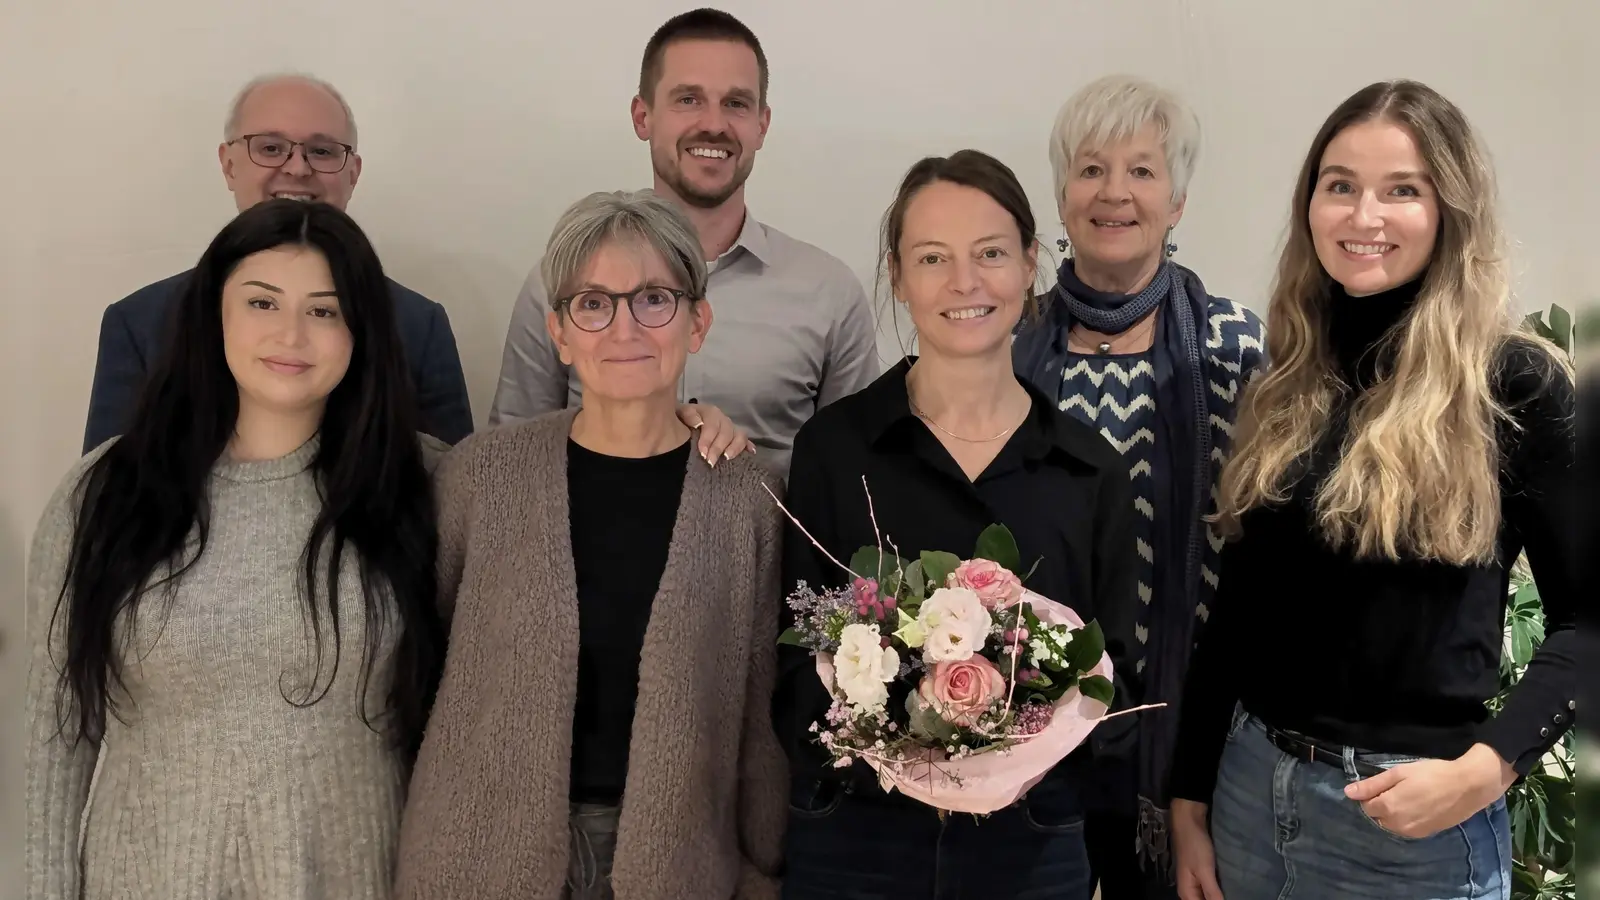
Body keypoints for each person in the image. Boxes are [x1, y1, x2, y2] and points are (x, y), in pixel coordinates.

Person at [1169, 80, 1577, 900]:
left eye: (1402, 190)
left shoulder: (1514, 383)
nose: (1364, 216)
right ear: (1310, 204)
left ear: (1450, 210)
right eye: (1340, 185)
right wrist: (1190, 797)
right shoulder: (1289, 376)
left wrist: (1487, 770)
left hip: (1410, 834)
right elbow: (1239, 612)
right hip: (1251, 797)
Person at [26, 199, 447, 899]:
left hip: (354, 877)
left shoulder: (426, 485)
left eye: (324, 310)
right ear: (213, 313)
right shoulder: (103, 491)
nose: (291, 334)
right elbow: (55, 736)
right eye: (261, 302)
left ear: (361, 332)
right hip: (147, 877)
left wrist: (679, 422)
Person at [391, 190, 787, 900]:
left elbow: (759, 714)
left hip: (677, 862)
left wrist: (762, 870)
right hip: (476, 856)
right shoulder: (481, 476)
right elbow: (413, 673)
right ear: (559, 332)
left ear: (698, 321)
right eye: (593, 303)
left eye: (655, 298)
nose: (624, 327)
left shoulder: (744, 495)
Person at [776, 149, 1140, 900]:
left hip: (1033, 844)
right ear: (899, 276)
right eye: (933, 257)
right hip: (857, 840)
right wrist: (893, 746)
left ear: (1032, 263)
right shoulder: (836, 450)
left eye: (991, 254)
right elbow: (791, 664)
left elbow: (1116, 682)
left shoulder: (1089, 470)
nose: (964, 283)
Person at [1011, 74, 1266, 897]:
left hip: (1189, 752)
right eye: (1091, 169)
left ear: (1178, 199)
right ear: (1061, 192)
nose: (1114, 192)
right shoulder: (1005, 343)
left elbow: (1261, 552)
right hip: (1017, 736)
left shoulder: (1236, 348)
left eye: (1142, 170)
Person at [488, 7, 880, 477]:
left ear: (762, 124)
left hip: (772, 546)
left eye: (736, 103)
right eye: (688, 99)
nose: (713, 124)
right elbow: (508, 462)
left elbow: (858, 483)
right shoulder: (563, 282)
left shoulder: (829, 294)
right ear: (642, 116)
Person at [82, 72, 475, 451]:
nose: (297, 167)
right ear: (228, 164)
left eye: (321, 151)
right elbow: (107, 496)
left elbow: (456, 501)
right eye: (270, 147)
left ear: (353, 173)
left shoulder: (418, 325)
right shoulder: (139, 323)